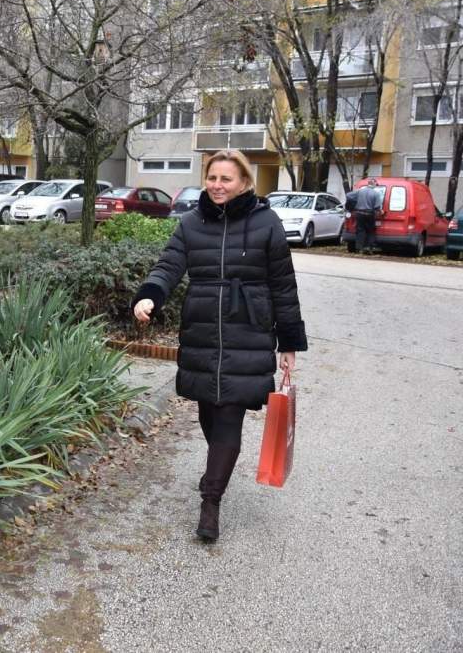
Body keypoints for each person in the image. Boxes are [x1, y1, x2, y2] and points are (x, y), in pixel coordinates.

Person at [131, 149, 307, 543]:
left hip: (249, 329)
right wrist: (150, 296)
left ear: (244, 182)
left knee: (229, 415)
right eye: (212, 178)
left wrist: (289, 341)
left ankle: (211, 502)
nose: (217, 185)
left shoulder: (267, 223)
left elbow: (283, 285)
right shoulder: (191, 223)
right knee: (209, 414)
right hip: (203, 330)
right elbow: (169, 264)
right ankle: (218, 466)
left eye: (226, 179)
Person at [349, 178, 384, 254]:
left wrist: (351, 207)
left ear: (368, 184)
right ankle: (368, 248)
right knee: (370, 231)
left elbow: (349, 196)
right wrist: (381, 211)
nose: (376, 186)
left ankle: (359, 248)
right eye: (376, 184)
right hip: (370, 214)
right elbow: (377, 207)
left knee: (360, 231)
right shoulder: (376, 193)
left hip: (359, 214)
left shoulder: (360, 191)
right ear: (374, 184)